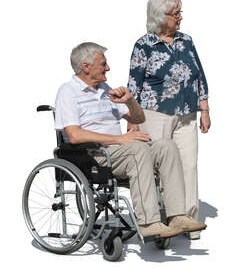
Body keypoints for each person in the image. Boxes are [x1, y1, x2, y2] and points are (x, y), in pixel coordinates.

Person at [55, 42, 206, 238]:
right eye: (103, 64)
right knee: (137, 150)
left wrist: (129, 100)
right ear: (86, 66)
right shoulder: (68, 92)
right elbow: (75, 135)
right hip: (93, 154)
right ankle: (148, 222)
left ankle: (177, 215)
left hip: (119, 150)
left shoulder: (104, 89)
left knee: (167, 146)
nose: (108, 68)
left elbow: (138, 119)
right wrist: (119, 139)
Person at [127, 0, 211, 239]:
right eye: (176, 14)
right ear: (160, 16)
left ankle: (187, 220)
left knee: (189, 165)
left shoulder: (186, 40)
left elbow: (199, 75)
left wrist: (205, 108)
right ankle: (162, 219)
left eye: (180, 12)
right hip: (154, 114)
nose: (180, 18)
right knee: (159, 167)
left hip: (187, 113)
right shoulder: (144, 45)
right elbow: (133, 86)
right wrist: (133, 120)